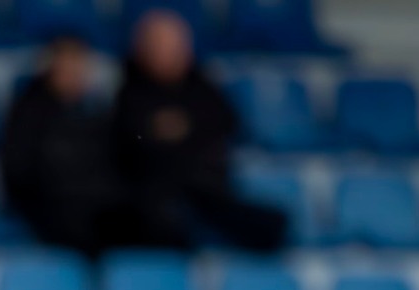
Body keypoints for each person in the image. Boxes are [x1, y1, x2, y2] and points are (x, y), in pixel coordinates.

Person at [112, 9, 288, 253]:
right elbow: (133, 136)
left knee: (272, 224)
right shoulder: (128, 91)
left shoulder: (201, 85)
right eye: (160, 45)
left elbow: (228, 122)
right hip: (156, 194)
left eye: (176, 45)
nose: (171, 53)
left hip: (205, 190)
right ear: (142, 48)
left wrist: (183, 127)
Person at [0, 34, 133, 258]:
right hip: (51, 206)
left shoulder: (96, 112)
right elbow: (20, 171)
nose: (75, 75)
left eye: (79, 68)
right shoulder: (29, 112)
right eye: (67, 67)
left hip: (94, 204)